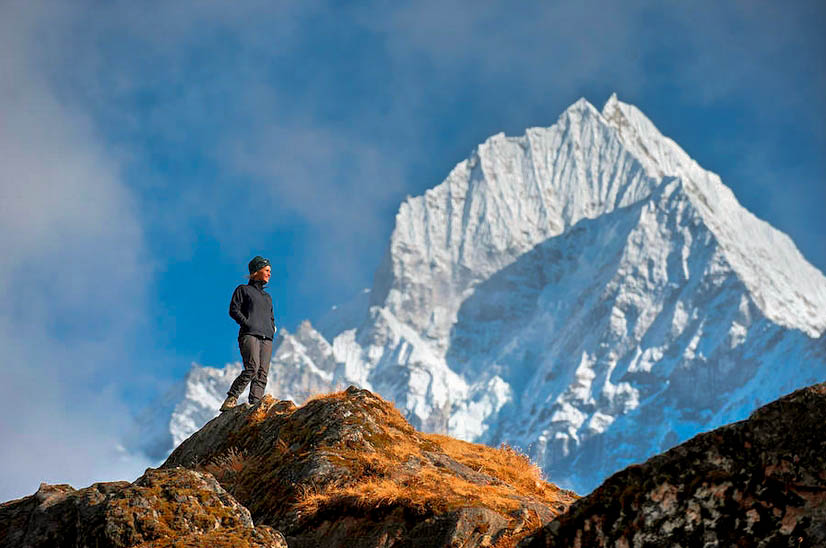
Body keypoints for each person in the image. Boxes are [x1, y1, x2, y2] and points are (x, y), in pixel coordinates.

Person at [220, 256, 276, 411]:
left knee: (262, 374)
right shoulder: (243, 290)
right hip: (249, 334)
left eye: (270, 271)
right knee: (252, 368)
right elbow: (233, 309)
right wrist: (247, 323)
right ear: (256, 272)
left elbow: (271, 316)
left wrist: (272, 327)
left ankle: (255, 406)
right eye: (266, 270)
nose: (269, 274)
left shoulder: (267, 297)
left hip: (267, 337)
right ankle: (231, 398)